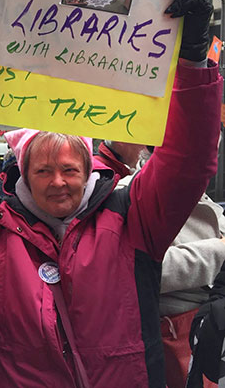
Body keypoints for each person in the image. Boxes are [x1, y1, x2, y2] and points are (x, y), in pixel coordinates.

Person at [0, 0, 222, 386]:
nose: (58, 181)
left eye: (69, 169)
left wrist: (192, 61)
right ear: (22, 171)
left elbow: (188, 163)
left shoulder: (134, 218)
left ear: (89, 168)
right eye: (43, 170)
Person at [96, 139, 225, 388]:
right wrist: (219, 251)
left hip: (208, 325)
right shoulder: (127, 193)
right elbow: (134, 267)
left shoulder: (198, 190)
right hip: (176, 333)